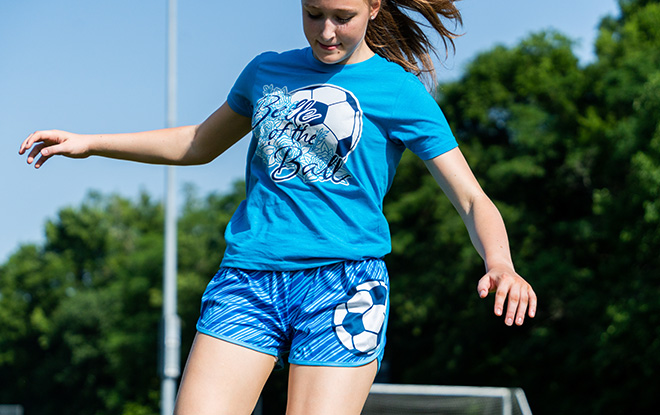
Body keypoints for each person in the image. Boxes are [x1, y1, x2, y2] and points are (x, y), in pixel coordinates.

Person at [19, 0, 537, 413]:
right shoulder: (266, 73)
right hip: (248, 280)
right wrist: (91, 142)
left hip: (346, 286)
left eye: (343, 17)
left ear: (375, 8)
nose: (327, 31)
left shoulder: (399, 92)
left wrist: (501, 263)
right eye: (314, 14)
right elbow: (197, 143)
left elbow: (470, 196)